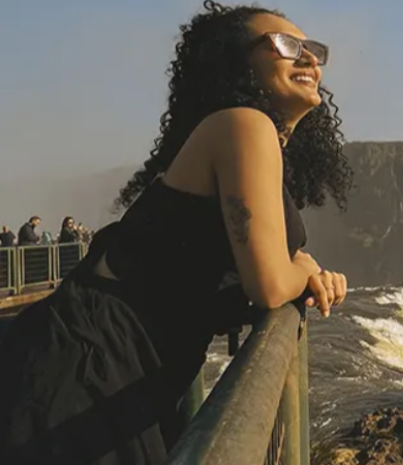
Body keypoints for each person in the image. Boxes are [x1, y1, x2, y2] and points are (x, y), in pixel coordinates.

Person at [0, 2, 353, 464]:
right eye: (286, 46)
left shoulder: (249, 139)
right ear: (237, 60)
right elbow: (267, 285)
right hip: (90, 364)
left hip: (122, 366)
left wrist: (301, 270)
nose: (307, 58)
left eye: (312, 49)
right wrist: (301, 266)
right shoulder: (244, 124)